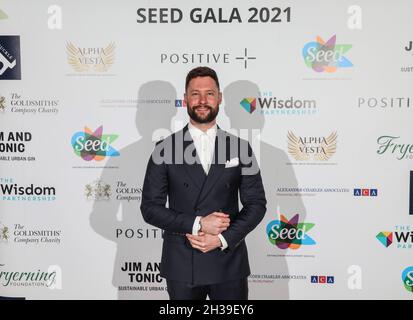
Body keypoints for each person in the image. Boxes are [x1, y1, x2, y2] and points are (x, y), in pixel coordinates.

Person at [140, 66, 267, 300]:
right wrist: (198, 224)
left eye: (209, 93)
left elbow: (256, 204)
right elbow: (149, 208)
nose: (202, 100)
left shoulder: (241, 147)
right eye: (195, 93)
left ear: (219, 98)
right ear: (185, 99)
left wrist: (221, 238)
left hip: (228, 263)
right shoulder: (164, 149)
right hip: (182, 264)